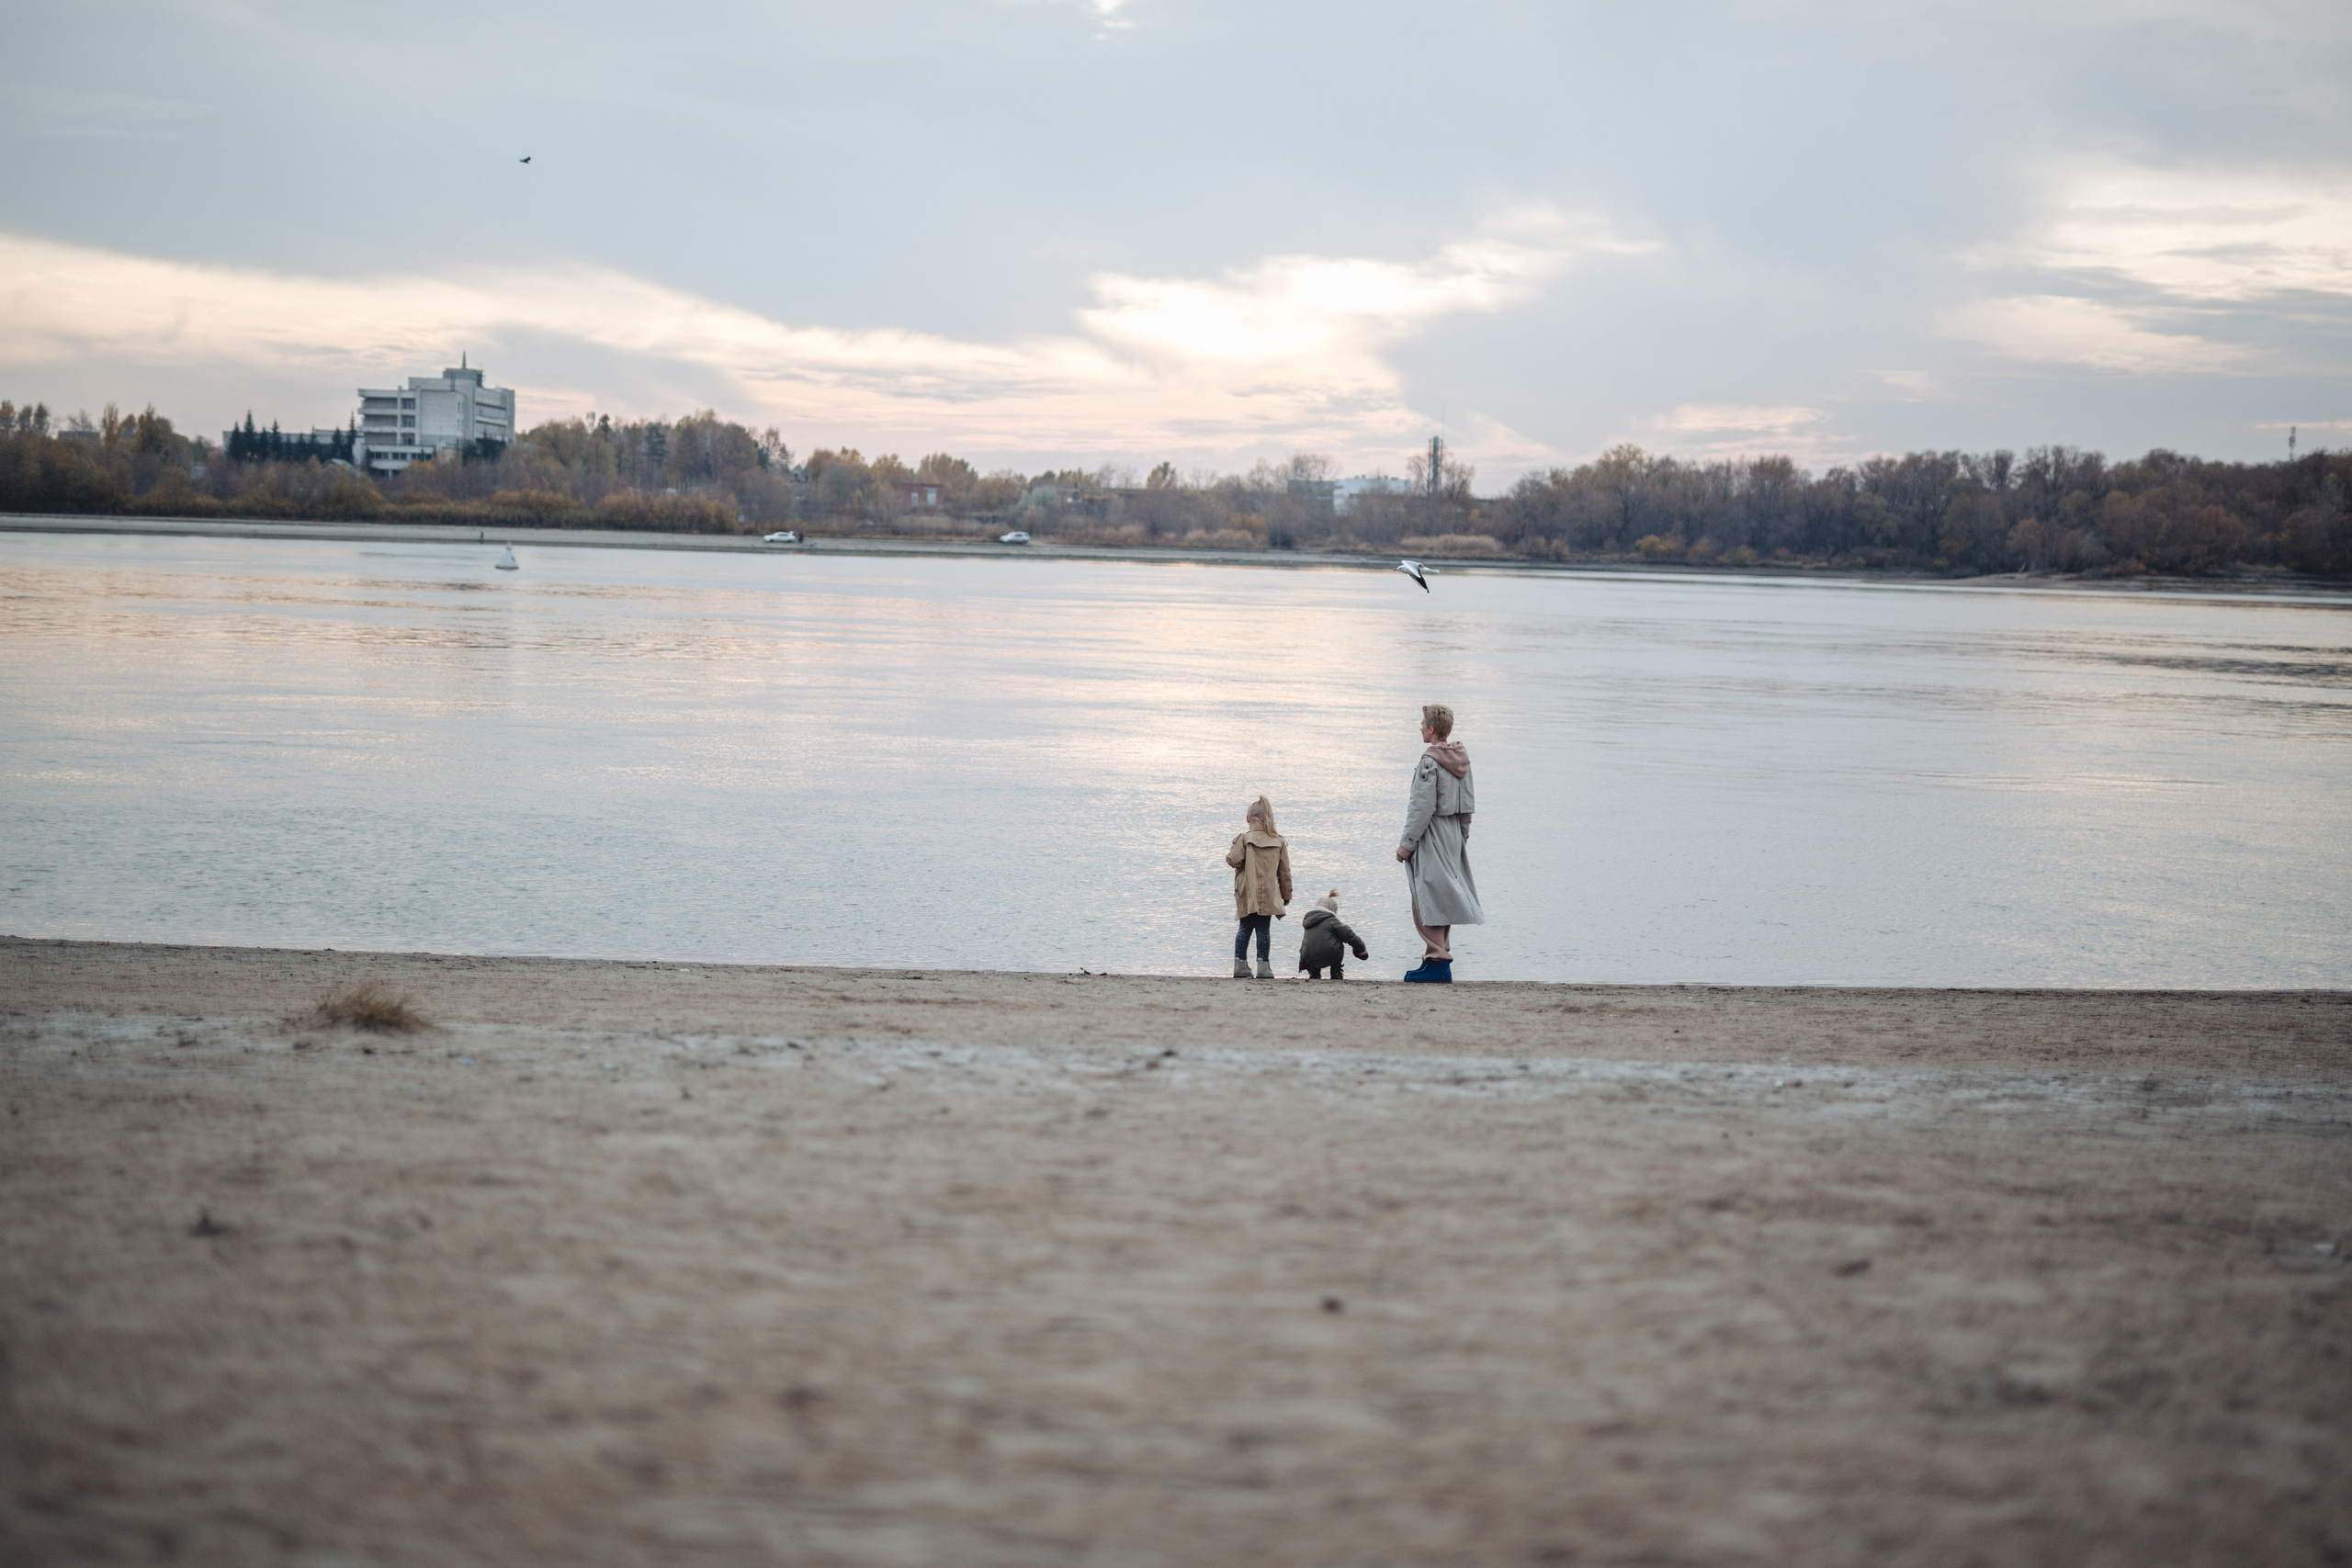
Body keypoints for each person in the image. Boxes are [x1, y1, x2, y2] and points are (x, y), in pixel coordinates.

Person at [1396, 704, 1482, 982]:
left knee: (1427, 896)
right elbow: (1468, 805)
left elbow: (1421, 808)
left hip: (1432, 834)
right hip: (1453, 834)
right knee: (1443, 896)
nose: (1419, 727)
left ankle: (1437, 960)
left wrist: (1406, 845)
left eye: (1422, 724)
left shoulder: (1429, 763)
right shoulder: (1462, 762)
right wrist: (1461, 839)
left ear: (1432, 730)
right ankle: (1436, 956)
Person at [1226, 795, 1293, 978]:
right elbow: (1284, 873)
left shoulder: (1244, 839)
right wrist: (1286, 896)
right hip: (1270, 894)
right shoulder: (1278, 842)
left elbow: (1233, 860)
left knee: (1245, 927)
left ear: (1248, 819)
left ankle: (1240, 964)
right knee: (1264, 930)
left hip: (1248, 892)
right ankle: (1263, 966)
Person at [1296, 888, 1368, 980]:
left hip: (1309, 957)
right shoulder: (1332, 921)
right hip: (1330, 955)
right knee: (1337, 941)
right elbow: (1349, 935)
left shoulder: (1308, 921)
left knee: (1312, 941)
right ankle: (1336, 972)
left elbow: (1306, 943)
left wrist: (1302, 963)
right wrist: (1361, 949)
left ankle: (1314, 972)